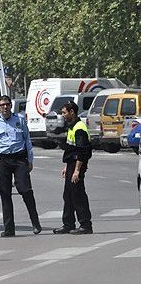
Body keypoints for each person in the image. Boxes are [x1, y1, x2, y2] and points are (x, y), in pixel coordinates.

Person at [0, 95, 42, 237]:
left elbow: (27, 140)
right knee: (5, 194)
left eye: (7, 104)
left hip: (19, 159)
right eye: (2, 105)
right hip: (3, 160)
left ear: (10, 105)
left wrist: (30, 160)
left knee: (25, 190)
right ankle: (9, 228)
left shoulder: (19, 120)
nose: (5, 107)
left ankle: (35, 223)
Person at [53, 100, 93, 234]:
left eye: (65, 113)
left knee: (78, 194)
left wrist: (76, 171)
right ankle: (68, 224)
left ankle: (85, 225)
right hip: (72, 164)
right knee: (68, 195)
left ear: (72, 112)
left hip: (78, 165)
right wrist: (67, 167)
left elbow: (82, 152)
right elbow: (71, 150)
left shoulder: (79, 128)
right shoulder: (72, 126)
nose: (63, 115)